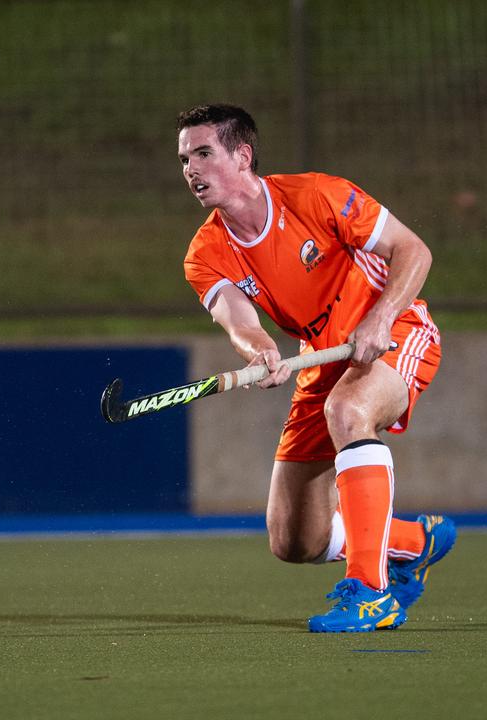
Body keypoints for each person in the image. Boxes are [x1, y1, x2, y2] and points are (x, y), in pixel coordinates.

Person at [176, 104, 456, 632]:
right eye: (185, 158)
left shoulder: (315, 195)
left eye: (204, 153)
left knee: (350, 409)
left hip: (396, 332)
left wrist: (381, 317)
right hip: (320, 361)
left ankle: (372, 594)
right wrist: (257, 349)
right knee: (294, 539)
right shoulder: (205, 251)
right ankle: (414, 544)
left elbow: (413, 251)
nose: (191, 168)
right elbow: (238, 318)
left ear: (243, 155)